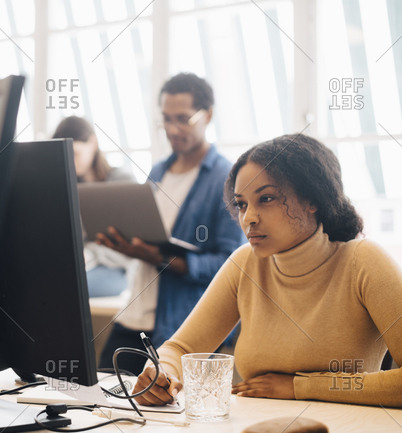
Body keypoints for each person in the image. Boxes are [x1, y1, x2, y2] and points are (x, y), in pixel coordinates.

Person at [132, 134, 402, 408]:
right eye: (241, 204)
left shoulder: (363, 261)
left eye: (267, 198)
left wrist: (301, 386)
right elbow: (181, 348)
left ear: (313, 200)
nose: (248, 218)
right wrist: (160, 373)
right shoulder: (245, 263)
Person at [96, 73, 245, 374]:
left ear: (208, 115)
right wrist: (124, 245)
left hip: (179, 327)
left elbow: (229, 265)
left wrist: (162, 258)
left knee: (166, 415)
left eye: (183, 119)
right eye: (166, 119)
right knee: (102, 401)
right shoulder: (158, 171)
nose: (172, 129)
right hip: (133, 316)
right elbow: (146, 238)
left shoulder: (225, 179)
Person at [52, 116, 135, 297]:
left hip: (116, 267)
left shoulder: (121, 182)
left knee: (70, 290)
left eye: (75, 153)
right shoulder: (66, 188)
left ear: (93, 143)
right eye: (63, 155)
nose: (70, 161)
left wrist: (90, 254)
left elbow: (130, 242)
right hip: (80, 266)